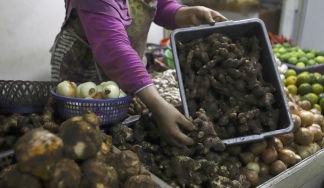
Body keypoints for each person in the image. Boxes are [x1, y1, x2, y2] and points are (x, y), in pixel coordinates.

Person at [50, 0, 226, 147]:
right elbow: (113, 46)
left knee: (116, 132)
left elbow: (158, 5)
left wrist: (186, 13)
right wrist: (157, 104)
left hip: (125, 69)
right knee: (81, 137)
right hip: (84, 68)